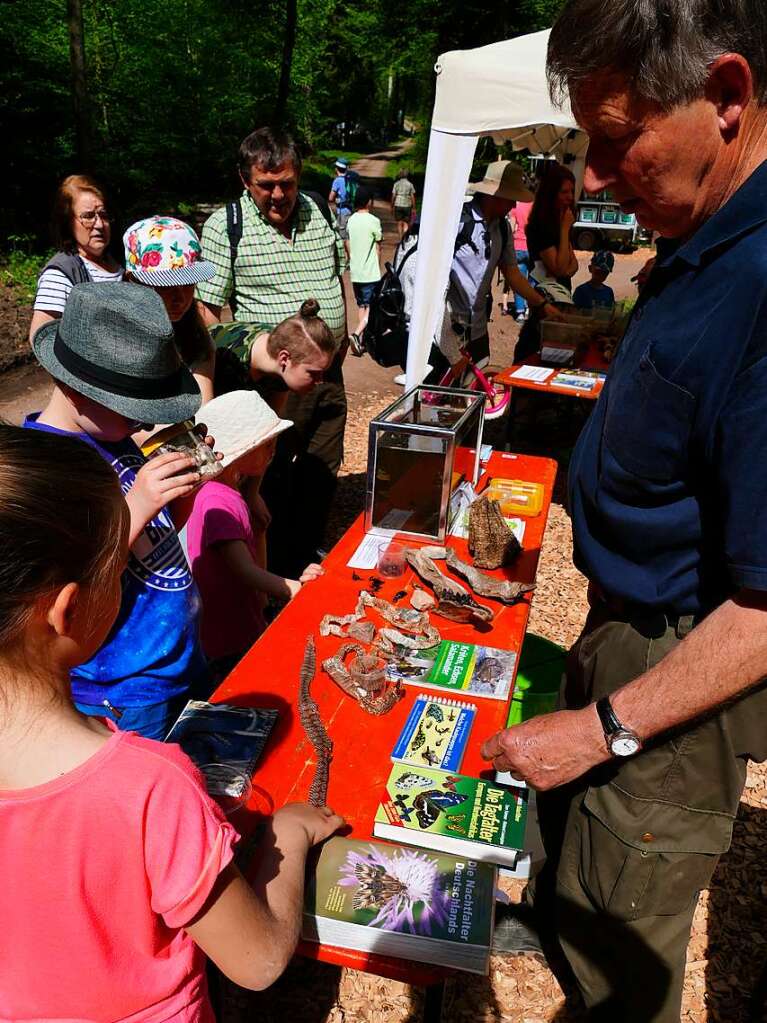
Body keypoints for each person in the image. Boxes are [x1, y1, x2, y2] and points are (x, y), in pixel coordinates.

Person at [481, 1, 767, 1019]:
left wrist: (599, 730)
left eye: (615, 139)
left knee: (621, 923)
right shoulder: (705, 227)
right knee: (572, 855)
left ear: (725, 97)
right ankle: (556, 932)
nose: (592, 179)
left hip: (676, 667)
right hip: (623, 619)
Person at [0, 423, 344, 1021]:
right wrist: (290, 831)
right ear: (70, 607)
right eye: (121, 564)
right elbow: (257, 960)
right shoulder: (151, 787)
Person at [25, 282, 211, 740]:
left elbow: (153, 547)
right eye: (134, 410)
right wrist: (137, 504)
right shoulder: (46, 468)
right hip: (124, 690)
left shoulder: (112, 435)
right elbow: (68, 586)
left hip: (178, 658)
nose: (146, 422)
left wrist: (178, 494)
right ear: (76, 389)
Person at [196, 127, 348, 580]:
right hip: (271, 381)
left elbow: (336, 275)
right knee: (272, 474)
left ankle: (306, 556)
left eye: (287, 183)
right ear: (246, 180)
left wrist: (342, 330)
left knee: (323, 465)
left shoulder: (319, 208)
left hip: (326, 368)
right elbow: (208, 310)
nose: (279, 194)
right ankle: (274, 572)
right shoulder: (226, 225)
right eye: (267, 185)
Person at [187, 390, 324, 680]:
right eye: (265, 445)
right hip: (227, 637)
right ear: (241, 449)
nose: (273, 451)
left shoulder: (226, 492)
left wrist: (259, 527)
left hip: (245, 620)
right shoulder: (217, 502)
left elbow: (252, 563)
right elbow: (244, 570)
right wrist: (295, 589)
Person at [429, 160, 561, 383]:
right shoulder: (458, 222)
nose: (513, 205)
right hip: (447, 327)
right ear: (494, 195)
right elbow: (431, 274)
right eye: (511, 198)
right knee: (438, 395)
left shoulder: (503, 228)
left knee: (474, 391)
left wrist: (541, 304)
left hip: (478, 327)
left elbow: (513, 274)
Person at [124, 216, 217, 403]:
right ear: (134, 281)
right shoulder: (116, 335)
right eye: (165, 287)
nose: (180, 298)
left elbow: (204, 405)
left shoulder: (195, 336)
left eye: (188, 284)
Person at [29, 174, 123, 342]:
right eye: (88, 216)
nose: (99, 224)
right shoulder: (61, 274)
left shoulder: (121, 262)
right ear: (68, 222)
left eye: (104, 215)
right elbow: (42, 340)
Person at [525, 163, 579, 290]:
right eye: (564, 192)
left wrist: (565, 271)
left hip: (563, 291)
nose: (570, 197)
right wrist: (565, 229)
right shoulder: (541, 225)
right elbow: (559, 268)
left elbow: (574, 265)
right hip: (546, 295)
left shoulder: (560, 222)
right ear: (550, 194)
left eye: (572, 191)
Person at [347, 186, 383, 343]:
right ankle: (356, 334)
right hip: (370, 273)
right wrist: (378, 265)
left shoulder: (351, 220)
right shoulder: (374, 221)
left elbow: (347, 243)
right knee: (372, 307)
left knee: (362, 306)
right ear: (369, 202)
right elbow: (378, 248)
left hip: (356, 272)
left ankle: (361, 339)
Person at [501, 200, 533, 319]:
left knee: (519, 280)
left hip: (518, 247)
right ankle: (530, 308)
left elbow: (511, 229)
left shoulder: (515, 205)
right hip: (532, 247)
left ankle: (520, 311)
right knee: (532, 280)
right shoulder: (536, 205)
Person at [328, 157, 356, 244]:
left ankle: (346, 255)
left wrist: (336, 200)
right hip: (351, 209)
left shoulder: (337, 181)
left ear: (336, 169)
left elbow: (330, 198)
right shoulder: (350, 179)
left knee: (343, 235)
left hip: (342, 211)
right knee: (350, 233)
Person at [390, 169, 416, 239]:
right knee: (406, 222)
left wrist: (392, 205)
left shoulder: (396, 184)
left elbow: (393, 196)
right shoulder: (410, 184)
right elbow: (412, 196)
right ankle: (405, 236)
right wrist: (413, 207)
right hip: (407, 205)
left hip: (398, 204)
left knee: (399, 222)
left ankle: (401, 237)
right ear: (407, 176)